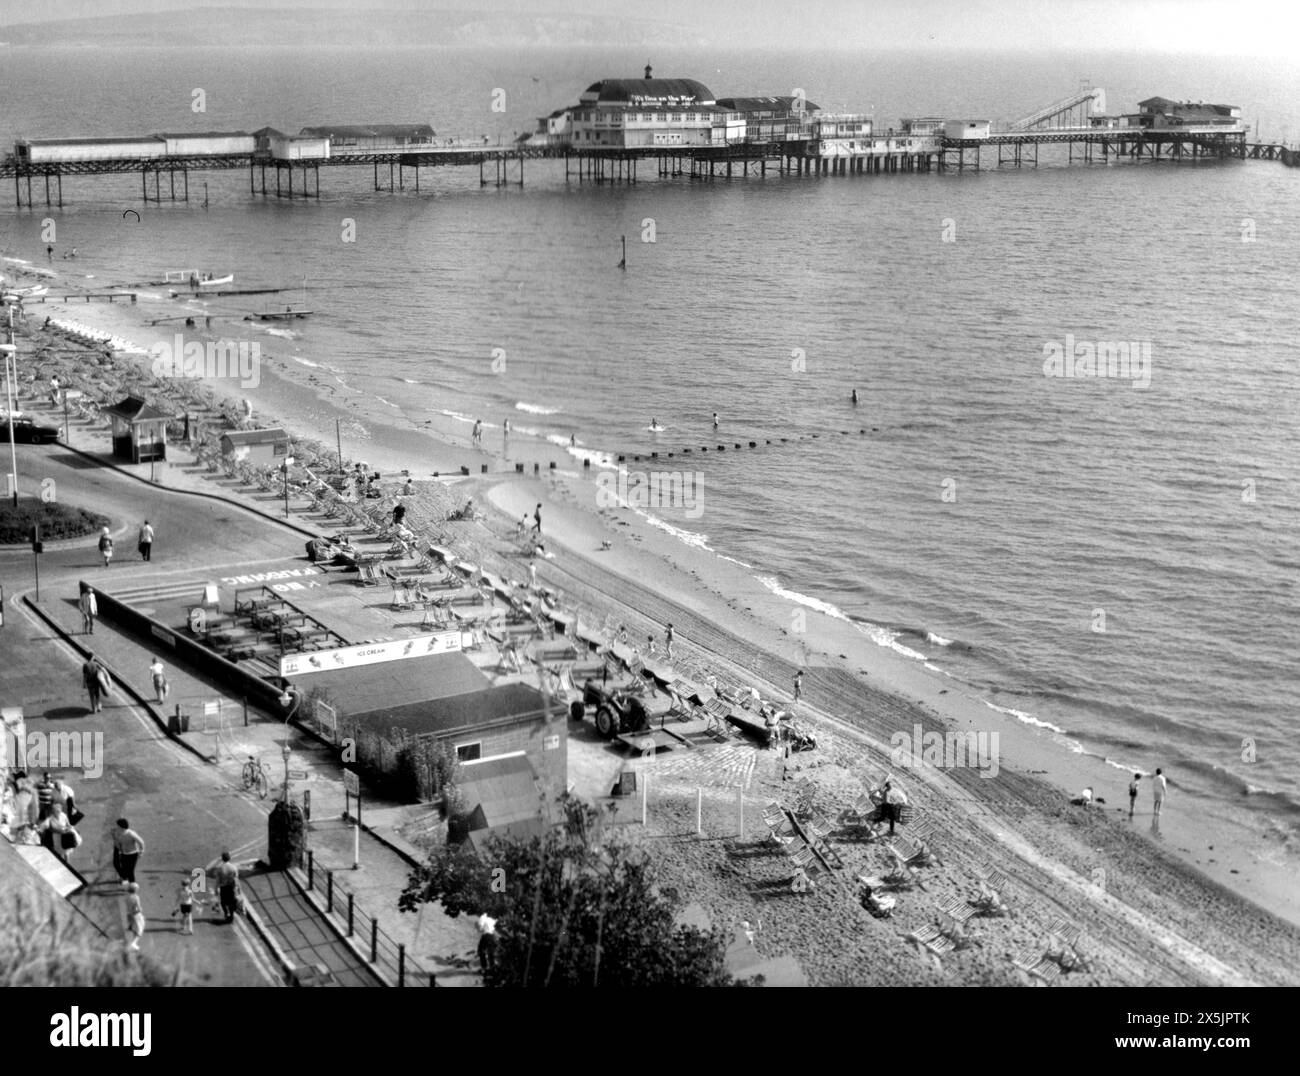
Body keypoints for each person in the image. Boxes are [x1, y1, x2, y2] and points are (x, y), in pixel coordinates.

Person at [113, 818, 145, 885]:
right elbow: (116, 842)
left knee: (130, 871)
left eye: (117, 825)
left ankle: (133, 885)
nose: (116, 827)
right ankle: (125, 879)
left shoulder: (131, 833)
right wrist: (119, 849)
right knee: (123, 868)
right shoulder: (117, 833)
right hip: (124, 854)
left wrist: (141, 851)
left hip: (133, 854)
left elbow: (141, 842)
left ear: (121, 826)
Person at [215, 851, 240, 923]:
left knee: (223, 902)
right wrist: (238, 889)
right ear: (229, 858)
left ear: (222, 859)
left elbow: (217, 880)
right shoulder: (234, 867)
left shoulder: (220, 868)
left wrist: (216, 889)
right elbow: (236, 879)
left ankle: (226, 913)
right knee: (232, 902)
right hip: (232, 887)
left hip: (223, 887)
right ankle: (231, 915)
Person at [124, 883, 145, 951]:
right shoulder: (136, 897)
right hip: (136, 915)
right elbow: (138, 908)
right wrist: (141, 910)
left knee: (133, 928)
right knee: (140, 929)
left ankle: (130, 927)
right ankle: (134, 943)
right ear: (135, 890)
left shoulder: (127, 896)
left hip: (129, 914)